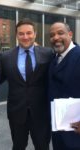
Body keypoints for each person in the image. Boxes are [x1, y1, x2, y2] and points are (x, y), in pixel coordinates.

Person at [0, 19, 53, 150]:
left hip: (41, 112)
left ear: (35, 34)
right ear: (17, 35)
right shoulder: (5, 56)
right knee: (18, 146)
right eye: (21, 34)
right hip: (16, 112)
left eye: (29, 33)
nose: (25, 37)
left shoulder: (48, 53)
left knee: (42, 146)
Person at [48, 22, 80, 150]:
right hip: (58, 129)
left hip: (76, 130)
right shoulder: (54, 58)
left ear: (70, 34)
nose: (55, 37)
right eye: (52, 35)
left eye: (60, 33)